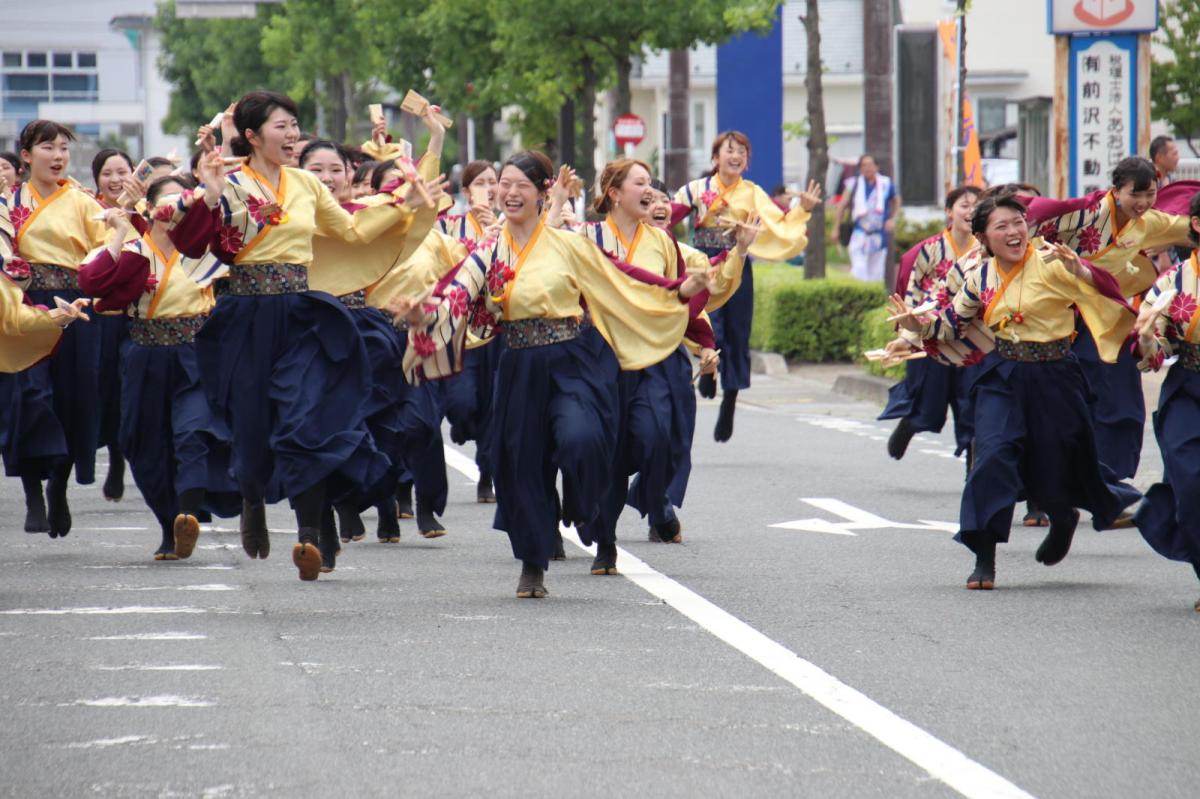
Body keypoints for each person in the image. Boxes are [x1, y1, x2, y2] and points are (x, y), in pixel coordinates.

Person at [399, 150, 714, 598]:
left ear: (544, 193)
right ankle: (532, 564)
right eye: (503, 184)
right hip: (518, 362)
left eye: (520, 185)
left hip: (573, 360)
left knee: (583, 439)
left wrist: (676, 289)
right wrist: (421, 318)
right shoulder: (489, 249)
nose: (508, 192)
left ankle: (585, 506)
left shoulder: (570, 244)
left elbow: (620, 277)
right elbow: (456, 291)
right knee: (523, 462)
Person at [178, 91, 426, 581]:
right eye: (280, 127)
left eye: (295, 125)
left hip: (301, 314)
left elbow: (353, 232)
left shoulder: (308, 184)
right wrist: (207, 193)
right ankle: (252, 497)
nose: (292, 135)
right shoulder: (227, 183)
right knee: (250, 428)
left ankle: (310, 533)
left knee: (306, 419)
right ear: (251, 136)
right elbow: (190, 245)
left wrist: (401, 204)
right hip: (244, 316)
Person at [893, 194, 1139, 590]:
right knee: (991, 455)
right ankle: (984, 556)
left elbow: (1108, 290)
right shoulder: (979, 276)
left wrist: (1084, 272)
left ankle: (1063, 518)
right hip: (1003, 375)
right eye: (1001, 226)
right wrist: (914, 329)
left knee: (1058, 460)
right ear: (983, 238)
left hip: (1057, 375)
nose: (1013, 232)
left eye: (1018, 222)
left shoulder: (1053, 260)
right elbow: (952, 323)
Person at [553, 158, 751, 570]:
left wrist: (705, 343)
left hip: (652, 358)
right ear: (614, 193)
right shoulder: (585, 236)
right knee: (602, 448)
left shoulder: (663, 243)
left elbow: (687, 298)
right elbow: (551, 276)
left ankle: (655, 505)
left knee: (656, 437)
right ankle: (604, 540)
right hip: (598, 354)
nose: (651, 192)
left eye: (653, 185)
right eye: (640, 183)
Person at [78, 161, 241, 561]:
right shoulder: (133, 246)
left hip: (194, 354)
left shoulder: (204, 252)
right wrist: (119, 228)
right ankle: (169, 523)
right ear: (148, 208)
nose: (173, 213)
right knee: (141, 441)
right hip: (143, 355)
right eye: (164, 204)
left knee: (191, 433)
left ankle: (187, 512)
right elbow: (92, 282)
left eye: (181, 203)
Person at [1023, 157, 1194, 483]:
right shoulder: (1084, 215)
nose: (1143, 203)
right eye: (1135, 194)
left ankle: (1108, 483)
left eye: (1150, 194)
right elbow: (1025, 228)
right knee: (1056, 404)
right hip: (1053, 315)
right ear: (1116, 191)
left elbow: (1191, 228)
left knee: (1122, 400)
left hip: (1104, 318)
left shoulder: (1149, 223)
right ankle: (1041, 493)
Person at [2, 120, 111, 538]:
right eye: (48, 147)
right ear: (26, 156)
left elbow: (107, 249)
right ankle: (33, 491)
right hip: (26, 309)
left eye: (64, 147)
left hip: (75, 305)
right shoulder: (7, 201)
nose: (58, 155)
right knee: (31, 397)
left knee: (72, 400)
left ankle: (59, 488)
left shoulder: (83, 201)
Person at [674, 131, 819, 443]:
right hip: (703, 264)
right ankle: (709, 366)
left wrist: (803, 208)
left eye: (741, 151)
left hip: (738, 262)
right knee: (708, 323)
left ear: (746, 161)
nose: (735, 155)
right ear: (715, 157)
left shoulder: (752, 192)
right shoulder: (696, 189)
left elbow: (779, 221)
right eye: (729, 150)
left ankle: (731, 398)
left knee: (738, 332)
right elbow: (665, 215)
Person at [1132, 191, 1200, 610]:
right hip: (1189, 386)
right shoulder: (1172, 282)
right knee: (1191, 478)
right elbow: (1157, 351)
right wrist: (1145, 340)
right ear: (1196, 225)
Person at [881, 185, 980, 462]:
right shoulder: (930, 251)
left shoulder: (986, 251)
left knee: (972, 410)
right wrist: (906, 337)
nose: (970, 211)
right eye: (964, 205)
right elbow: (912, 297)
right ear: (949, 211)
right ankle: (910, 424)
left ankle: (973, 471)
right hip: (932, 335)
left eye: (976, 205)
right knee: (928, 405)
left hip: (972, 340)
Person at [434, 159, 504, 503]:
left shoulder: (511, 226)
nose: (490, 189)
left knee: (495, 402)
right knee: (462, 402)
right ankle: (465, 427)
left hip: (496, 327)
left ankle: (487, 473)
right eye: (481, 183)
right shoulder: (447, 227)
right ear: (465, 191)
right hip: (458, 326)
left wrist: (496, 232)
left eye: (495, 182)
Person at [837, 154, 900, 284]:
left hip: (879, 234)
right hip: (859, 232)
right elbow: (842, 205)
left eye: (870, 164)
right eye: (864, 165)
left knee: (876, 273)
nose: (867, 168)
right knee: (859, 270)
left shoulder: (886, 184)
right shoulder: (853, 184)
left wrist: (892, 219)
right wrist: (836, 228)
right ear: (860, 168)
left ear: (877, 166)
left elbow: (896, 200)